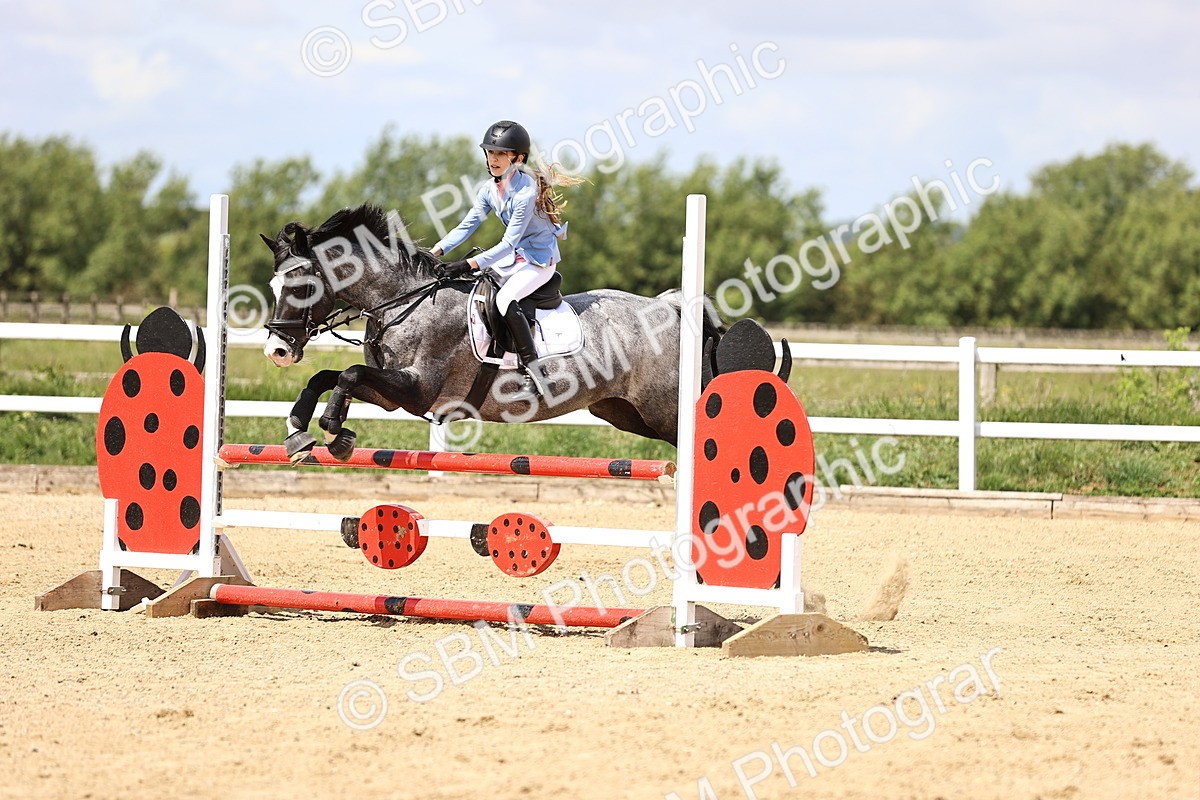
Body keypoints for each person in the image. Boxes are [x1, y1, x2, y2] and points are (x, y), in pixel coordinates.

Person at [431, 120, 579, 401]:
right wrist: (435, 252)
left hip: (538, 261)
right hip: (515, 258)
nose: (493, 160)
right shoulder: (489, 189)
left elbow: (508, 242)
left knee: (503, 300)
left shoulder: (526, 192)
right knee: (475, 292)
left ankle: (535, 372)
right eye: (489, 153)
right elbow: (466, 226)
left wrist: (469, 263)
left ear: (517, 158)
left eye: (500, 154)